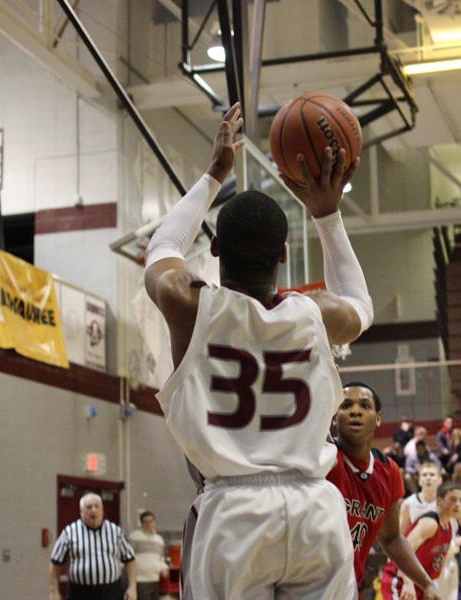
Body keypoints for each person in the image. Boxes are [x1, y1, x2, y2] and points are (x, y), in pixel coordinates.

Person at [145, 104, 370, 598]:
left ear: (217, 250)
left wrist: (212, 177)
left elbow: (161, 248)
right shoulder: (315, 315)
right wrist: (327, 213)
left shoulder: (190, 306)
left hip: (233, 514)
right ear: (284, 255)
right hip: (315, 510)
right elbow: (360, 303)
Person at [326, 382, 439, 598]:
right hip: (305, 583)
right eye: (346, 405)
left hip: (349, 586)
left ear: (378, 418)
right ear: (333, 415)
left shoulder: (389, 471)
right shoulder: (323, 457)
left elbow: (391, 538)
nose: (355, 411)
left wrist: (427, 583)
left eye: (364, 406)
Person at [400, 463, 461, 600]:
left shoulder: (454, 503)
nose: (428, 478)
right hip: (418, 567)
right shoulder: (408, 503)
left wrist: (455, 541)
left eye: (432, 475)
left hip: (444, 562)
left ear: (440, 480)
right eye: (424, 475)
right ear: (419, 480)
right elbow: (399, 538)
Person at [382, 482, 461, 600]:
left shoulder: (448, 528)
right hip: (401, 581)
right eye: (452, 499)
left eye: (460, 500)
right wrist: (408, 582)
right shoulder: (430, 523)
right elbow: (403, 551)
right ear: (439, 501)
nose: (457, 504)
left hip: (421, 585)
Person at [49, 493, 137, 600]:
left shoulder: (116, 531)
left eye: (97, 506)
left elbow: (130, 559)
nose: (93, 510)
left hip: (111, 592)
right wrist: (54, 592)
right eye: (89, 507)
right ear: (81, 512)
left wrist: (132, 587)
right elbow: (55, 563)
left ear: (102, 510)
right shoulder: (69, 532)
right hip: (80, 593)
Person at [128, 511, 168, 600]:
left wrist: (163, 568)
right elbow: (128, 558)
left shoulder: (159, 540)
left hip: (155, 579)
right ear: (141, 524)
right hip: (140, 580)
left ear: (154, 522)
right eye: (145, 522)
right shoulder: (135, 537)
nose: (148, 524)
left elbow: (161, 558)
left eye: (151, 521)